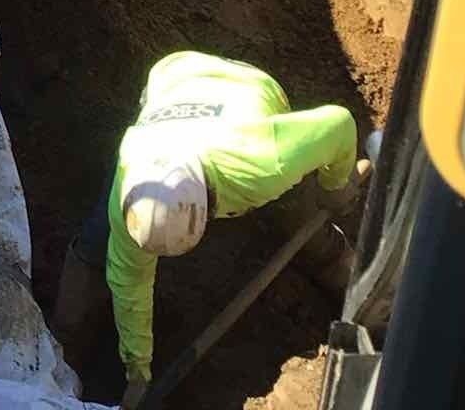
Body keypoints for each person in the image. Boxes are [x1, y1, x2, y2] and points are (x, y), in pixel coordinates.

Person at [54, 51, 361, 407]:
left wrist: (335, 186)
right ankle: (65, 339)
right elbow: (130, 284)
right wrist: (138, 372)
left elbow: (339, 124)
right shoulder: (130, 189)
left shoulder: (264, 162)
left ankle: (336, 264)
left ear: (208, 209)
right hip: (174, 75)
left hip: (248, 87)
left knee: (295, 205)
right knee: (99, 241)